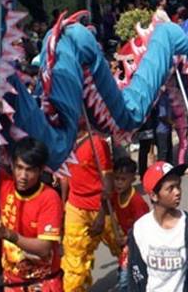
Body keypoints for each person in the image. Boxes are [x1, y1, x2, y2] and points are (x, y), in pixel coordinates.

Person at [0, 96, 64, 291]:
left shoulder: (49, 198)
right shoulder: (4, 185)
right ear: (12, 166)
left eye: (29, 170)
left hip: (44, 283)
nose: (23, 175)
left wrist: (8, 234)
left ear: (40, 170)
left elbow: (44, 248)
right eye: (19, 167)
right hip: (12, 283)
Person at [128, 161, 188, 292]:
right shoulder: (140, 229)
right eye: (170, 188)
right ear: (153, 195)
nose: (177, 192)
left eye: (178, 186)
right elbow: (135, 275)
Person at [61, 120, 114, 292]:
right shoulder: (65, 142)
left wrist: (101, 213)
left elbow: (107, 180)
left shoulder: (97, 143)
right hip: (75, 206)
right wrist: (63, 205)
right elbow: (65, 177)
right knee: (74, 262)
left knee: (123, 247)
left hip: (100, 207)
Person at [109, 157, 149, 292]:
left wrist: (127, 238)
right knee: (126, 273)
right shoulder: (115, 195)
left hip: (137, 244)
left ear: (132, 179)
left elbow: (144, 228)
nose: (119, 183)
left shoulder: (137, 202)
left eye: (123, 179)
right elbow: (109, 206)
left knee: (125, 279)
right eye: (117, 178)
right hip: (127, 245)